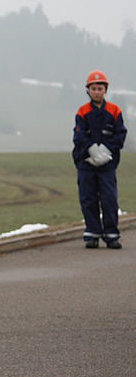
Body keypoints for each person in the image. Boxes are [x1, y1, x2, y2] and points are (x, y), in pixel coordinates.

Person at [72, 70, 127, 249]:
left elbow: (120, 134)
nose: (96, 91)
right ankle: (92, 233)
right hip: (86, 163)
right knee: (88, 198)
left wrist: (106, 150)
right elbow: (78, 136)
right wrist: (91, 150)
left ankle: (111, 234)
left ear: (105, 89)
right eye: (93, 88)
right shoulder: (82, 111)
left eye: (100, 88)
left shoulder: (114, 111)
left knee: (109, 198)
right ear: (88, 90)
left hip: (107, 164)